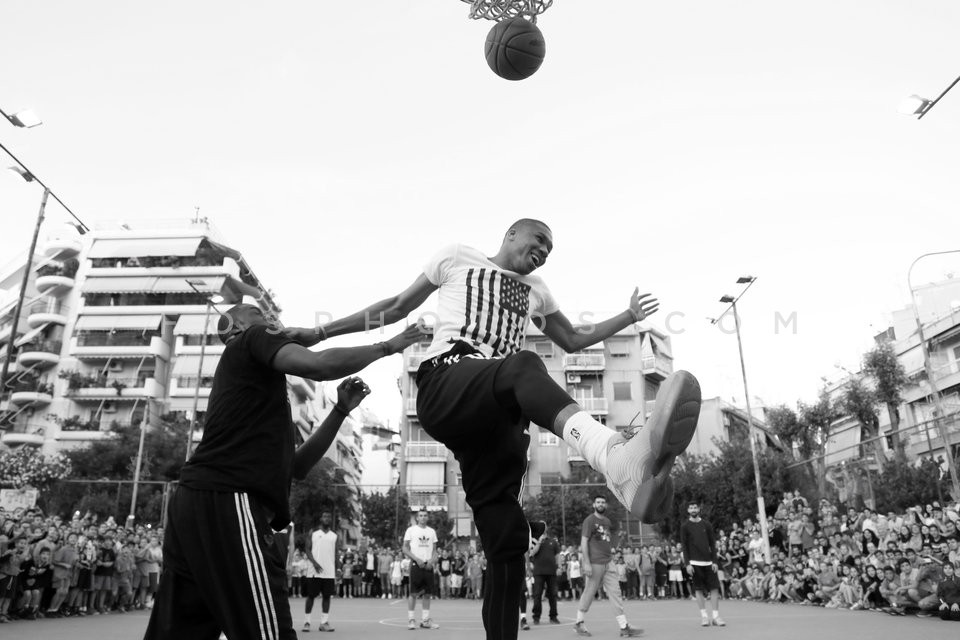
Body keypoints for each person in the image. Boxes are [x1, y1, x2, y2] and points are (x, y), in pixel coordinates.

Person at [321, 219, 701, 640]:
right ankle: (612, 456)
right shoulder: (456, 257)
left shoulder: (537, 289)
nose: (543, 251)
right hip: (447, 380)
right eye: (539, 241)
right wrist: (321, 331)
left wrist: (628, 315)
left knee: (507, 545)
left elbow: (573, 339)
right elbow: (393, 307)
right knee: (522, 365)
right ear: (511, 235)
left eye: (550, 249)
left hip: (497, 418)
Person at [144, 303, 420, 640]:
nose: (272, 320)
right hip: (228, 499)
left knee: (181, 629)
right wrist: (387, 346)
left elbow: (298, 467)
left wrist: (339, 411)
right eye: (261, 315)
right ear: (237, 327)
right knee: (269, 631)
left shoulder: (254, 393)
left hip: (195, 501)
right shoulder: (250, 340)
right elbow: (318, 366)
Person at [574, 496, 642, 637]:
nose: (600, 504)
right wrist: (586, 562)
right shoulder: (589, 520)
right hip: (594, 563)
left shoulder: (607, 521)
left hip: (609, 562)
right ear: (594, 504)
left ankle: (624, 627)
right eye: (598, 502)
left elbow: (605, 540)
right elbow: (584, 542)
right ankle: (579, 622)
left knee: (616, 593)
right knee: (589, 592)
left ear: (606, 505)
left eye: (603, 502)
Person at [679, 502, 725, 627]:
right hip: (694, 563)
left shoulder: (707, 524)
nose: (693, 510)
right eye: (691, 508)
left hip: (709, 563)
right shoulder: (685, 526)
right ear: (688, 510)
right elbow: (684, 546)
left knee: (714, 588)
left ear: (699, 509)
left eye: (695, 507)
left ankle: (716, 617)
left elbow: (712, 544)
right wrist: (687, 564)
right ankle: (704, 617)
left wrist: (714, 561)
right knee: (698, 589)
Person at [403, 510, 440, 630]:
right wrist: (416, 559)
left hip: (428, 566)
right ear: (417, 518)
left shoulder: (431, 532)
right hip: (416, 565)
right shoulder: (411, 530)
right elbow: (404, 548)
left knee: (427, 594)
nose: (423, 518)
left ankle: (425, 621)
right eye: (420, 516)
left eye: (425, 516)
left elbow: (435, 551)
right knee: (413, 594)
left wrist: (432, 561)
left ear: (427, 518)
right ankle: (411, 620)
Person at [302, 511, 338, 633]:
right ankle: (307, 622)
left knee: (327, 596)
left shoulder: (334, 535)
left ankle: (324, 622)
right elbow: (307, 549)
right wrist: (315, 563)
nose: (327, 518)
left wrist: (337, 568)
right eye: (325, 516)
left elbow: (336, 553)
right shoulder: (313, 533)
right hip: (314, 571)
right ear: (321, 518)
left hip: (329, 572)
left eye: (329, 517)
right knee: (311, 596)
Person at [529, 525, 560, 625]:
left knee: (553, 595)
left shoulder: (553, 541)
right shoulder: (534, 541)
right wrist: (539, 542)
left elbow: (557, 555)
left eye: (544, 526)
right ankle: (536, 617)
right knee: (537, 595)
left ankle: (553, 616)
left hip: (551, 572)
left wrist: (559, 567)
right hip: (539, 572)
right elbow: (532, 553)